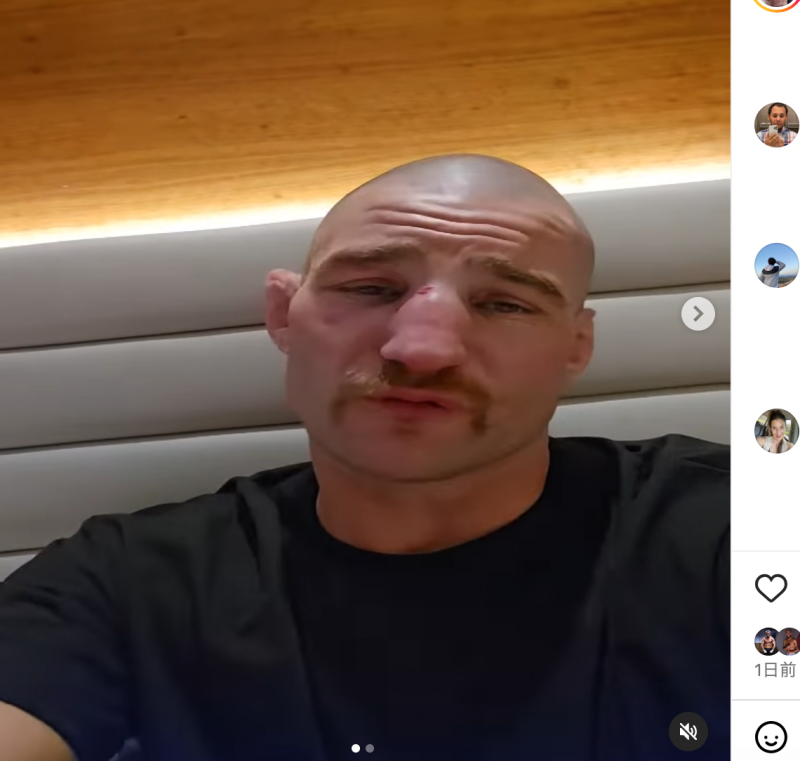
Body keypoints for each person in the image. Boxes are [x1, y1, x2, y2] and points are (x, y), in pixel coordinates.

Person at [0, 154, 730, 761]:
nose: (422, 348)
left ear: (577, 347)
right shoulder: (126, 584)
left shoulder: (727, 529)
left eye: (505, 304)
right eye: (371, 288)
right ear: (283, 316)